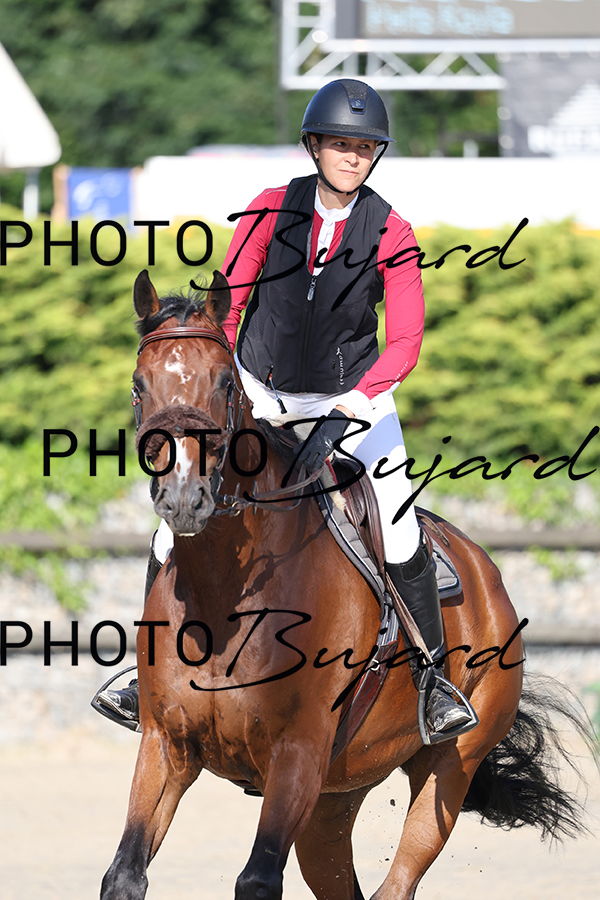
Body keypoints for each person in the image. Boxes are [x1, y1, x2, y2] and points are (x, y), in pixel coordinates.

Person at [96, 79, 476, 740]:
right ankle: (144, 673)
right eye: (340, 144)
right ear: (314, 146)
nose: (352, 157)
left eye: (364, 147)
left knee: (399, 525)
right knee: (174, 517)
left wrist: (352, 405)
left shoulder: (393, 231)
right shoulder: (269, 210)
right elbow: (229, 306)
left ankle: (433, 682)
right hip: (260, 394)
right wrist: (226, 386)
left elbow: (406, 341)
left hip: (354, 401)